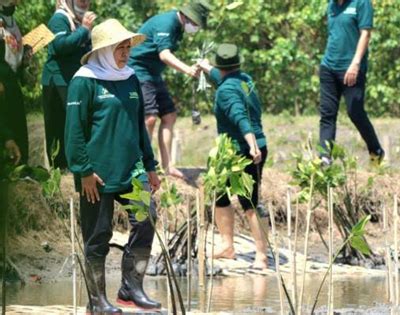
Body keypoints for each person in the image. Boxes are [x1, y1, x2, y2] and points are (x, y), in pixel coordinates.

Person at [65, 19, 161, 313]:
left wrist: (150, 164)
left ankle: (131, 288)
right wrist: (83, 171)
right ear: (104, 50)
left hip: (132, 170)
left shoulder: (131, 77)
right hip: (97, 174)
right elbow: (74, 131)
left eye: (127, 47)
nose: (125, 53)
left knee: (147, 219)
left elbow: (138, 126)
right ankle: (96, 301)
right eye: (120, 48)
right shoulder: (84, 80)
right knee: (98, 237)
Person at [199, 44, 269, 269]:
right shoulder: (244, 79)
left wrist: (251, 145)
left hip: (243, 150)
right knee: (220, 194)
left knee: (249, 202)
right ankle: (227, 246)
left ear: (221, 65)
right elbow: (221, 76)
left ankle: (261, 256)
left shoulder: (226, 91)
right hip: (236, 150)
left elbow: (240, 117)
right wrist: (205, 67)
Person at [128, 0, 211, 179]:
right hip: (139, 70)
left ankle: (167, 166)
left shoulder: (179, 28)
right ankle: (142, 165)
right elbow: (164, 55)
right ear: (187, 16)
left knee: (169, 116)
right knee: (149, 118)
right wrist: (187, 69)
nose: (196, 27)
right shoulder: (167, 23)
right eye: (196, 23)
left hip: (154, 74)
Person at [319, 0, 384, 164]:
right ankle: (325, 157)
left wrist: (355, 64)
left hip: (352, 68)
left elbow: (365, 34)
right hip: (329, 66)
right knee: (327, 114)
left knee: (355, 111)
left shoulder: (361, 3)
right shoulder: (331, 4)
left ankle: (375, 151)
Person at [42, 0, 96, 169]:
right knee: (59, 125)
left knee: (74, 122)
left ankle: (74, 163)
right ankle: (58, 167)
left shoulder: (77, 22)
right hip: (57, 81)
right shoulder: (59, 19)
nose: (85, 3)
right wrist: (85, 30)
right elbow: (60, 46)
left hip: (72, 80)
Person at [0, 0, 31, 165]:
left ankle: (21, 170)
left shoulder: (11, 19)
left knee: (18, 130)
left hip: (12, 81)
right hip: (2, 82)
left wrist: (24, 60)